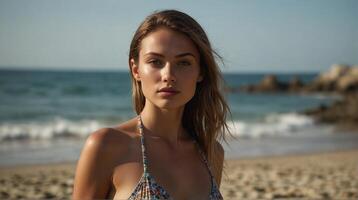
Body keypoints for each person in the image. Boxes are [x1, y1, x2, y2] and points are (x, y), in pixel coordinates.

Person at [73, 9, 230, 200]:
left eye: (184, 63)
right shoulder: (106, 146)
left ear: (200, 72)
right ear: (136, 69)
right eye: (156, 61)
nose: (168, 76)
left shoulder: (211, 153)